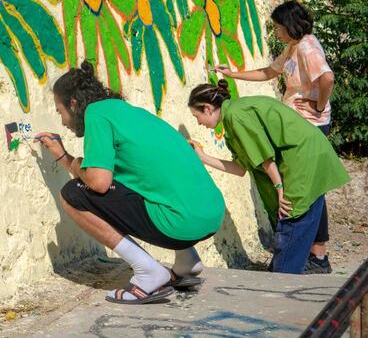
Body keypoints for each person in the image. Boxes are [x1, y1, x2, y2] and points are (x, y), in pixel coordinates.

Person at [35, 61, 226, 304]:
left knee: (72, 194)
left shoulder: (96, 113)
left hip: (181, 225)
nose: (62, 121)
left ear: (73, 104)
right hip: (210, 214)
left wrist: (68, 160)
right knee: (145, 181)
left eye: (60, 112)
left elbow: (98, 183)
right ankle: (187, 262)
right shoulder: (129, 112)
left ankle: (149, 272)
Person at [216, 0, 336, 273]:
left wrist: (318, 105)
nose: (277, 33)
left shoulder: (307, 47)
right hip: (299, 124)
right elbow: (269, 72)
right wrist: (231, 74)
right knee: (310, 188)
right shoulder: (293, 47)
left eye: (279, 28)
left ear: (291, 26)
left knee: (308, 189)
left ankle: (316, 255)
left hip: (310, 126)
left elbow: (327, 78)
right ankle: (314, 254)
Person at [187, 80, 349, 274]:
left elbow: (265, 158)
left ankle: (284, 278)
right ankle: (286, 271)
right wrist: (203, 158)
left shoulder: (236, 116)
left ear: (207, 108)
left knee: (291, 217)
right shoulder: (233, 115)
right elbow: (240, 169)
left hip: (302, 161)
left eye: (197, 116)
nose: (198, 123)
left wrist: (280, 190)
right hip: (308, 159)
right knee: (290, 240)